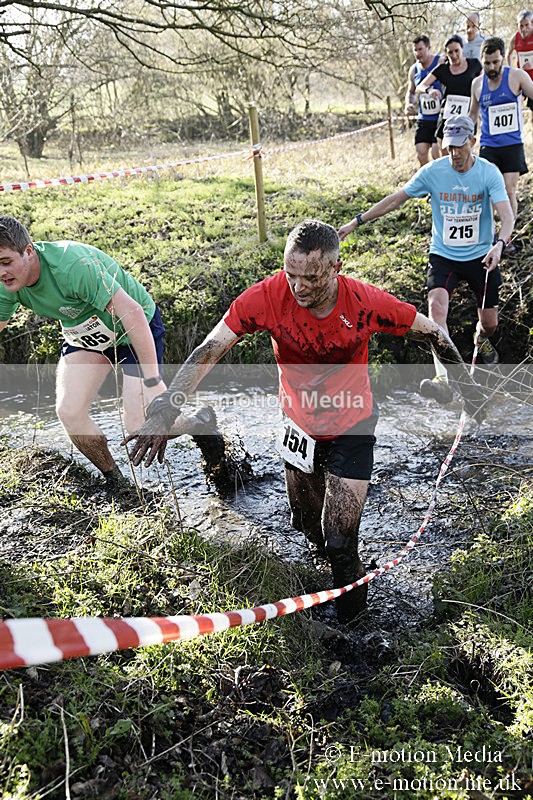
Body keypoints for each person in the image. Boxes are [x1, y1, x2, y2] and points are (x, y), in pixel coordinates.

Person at [124, 219, 487, 624]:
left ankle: (355, 631)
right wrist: (164, 410)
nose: (298, 287)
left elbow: (434, 332)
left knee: (339, 541)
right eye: (291, 274)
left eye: (311, 278)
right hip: (298, 424)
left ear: (336, 268)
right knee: (307, 528)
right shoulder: (266, 297)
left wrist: (470, 395)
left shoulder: (365, 303)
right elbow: (209, 350)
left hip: (354, 425)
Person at [0, 216, 210, 493]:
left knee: (139, 424)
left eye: (5, 262)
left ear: (28, 251)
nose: (1, 272)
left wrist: (151, 379)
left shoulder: (71, 265)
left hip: (132, 327)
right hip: (86, 336)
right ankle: (116, 481)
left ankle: (198, 423)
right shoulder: (5, 284)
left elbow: (132, 312)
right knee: (69, 412)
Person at [338, 116, 514, 402]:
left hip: (482, 257)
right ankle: (443, 380)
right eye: (449, 148)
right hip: (443, 255)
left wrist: (499, 245)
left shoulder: (488, 173)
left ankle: (479, 341)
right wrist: (357, 221)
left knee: (490, 324)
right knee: (436, 310)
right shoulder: (433, 172)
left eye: (460, 147)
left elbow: (507, 216)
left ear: (472, 142)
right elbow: (397, 198)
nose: (455, 154)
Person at [470, 36, 533, 223]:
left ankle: (508, 237)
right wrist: (465, 136)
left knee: (508, 190)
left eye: (495, 62)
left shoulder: (517, 76)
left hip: (512, 144)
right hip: (489, 145)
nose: (491, 67)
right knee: (489, 190)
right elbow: (472, 114)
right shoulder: (477, 84)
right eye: (487, 63)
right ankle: (488, 237)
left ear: (503, 57)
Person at [415, 35, 481, 153]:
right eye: (450, 52)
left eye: (457, 51)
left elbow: (484, 82)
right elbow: (420, 86)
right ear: (446, 53)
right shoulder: (442, 69)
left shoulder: (474, 64)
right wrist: (429, 90)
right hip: (447, 115)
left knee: (465, 150)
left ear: (462, 49)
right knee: (446, 151)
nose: (454, 55)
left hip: (468, 114)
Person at [405, 35, 443, 165]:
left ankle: (441, 181)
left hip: (440, 117)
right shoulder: (414, 69)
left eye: (420, 49)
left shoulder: (441, 62)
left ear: (429, 48)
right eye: (415, 50)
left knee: (437, 154)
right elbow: (411, 91)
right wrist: (409, 104)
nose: (417, 53)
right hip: (424, 118)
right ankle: (427, 180)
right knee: (421, 153)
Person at [507, 8, 533, 114]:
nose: (524, 29)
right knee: (514, 105)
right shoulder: (515, 38)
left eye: (527, 25)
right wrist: (511, 70)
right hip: (521, 79)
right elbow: (508, 54)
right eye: (521, 26)